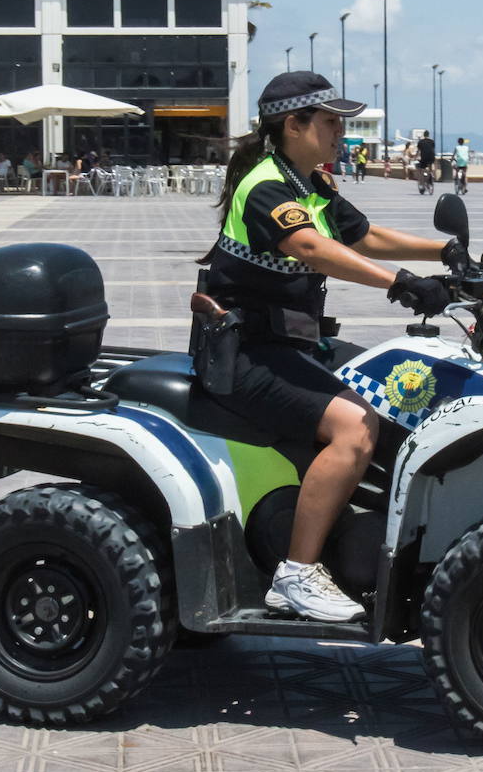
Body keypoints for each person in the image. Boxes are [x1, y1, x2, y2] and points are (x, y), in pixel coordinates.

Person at [196, 71, 459, 622]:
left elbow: (363, 237)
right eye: (332, 121)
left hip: (291, 343)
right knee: (354, 426)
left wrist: (451, 255)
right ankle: (296, 572)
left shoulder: (311, 181)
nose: (342, 132)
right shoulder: (265, 184)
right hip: (243, 353)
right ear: (294, 125)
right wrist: (400, 283)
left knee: (401, 391)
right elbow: (311, 247)